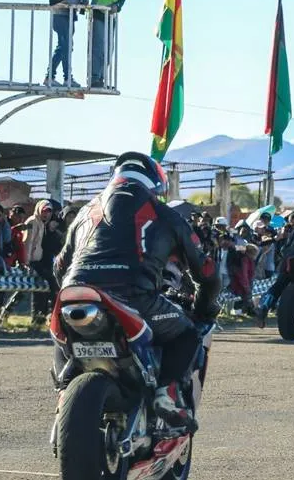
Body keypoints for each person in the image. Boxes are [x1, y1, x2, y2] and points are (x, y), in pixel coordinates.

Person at [55, 152, 220, 427]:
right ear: (156, 183)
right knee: (188, 334)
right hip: (135, 298)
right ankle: (165, 393)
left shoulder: (84, 212)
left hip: (77, 294)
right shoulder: (163, 213)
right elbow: (207, 272)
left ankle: (63, 393)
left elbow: (59, 266)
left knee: (65, 335)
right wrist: (204, 308)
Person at [46, 0, 89, 87]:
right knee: (65, 45)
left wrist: (83, 2)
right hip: (60, 12)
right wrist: (60, 1)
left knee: (65, 46)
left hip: (71, 14)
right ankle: (66, 78)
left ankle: (50, 77)